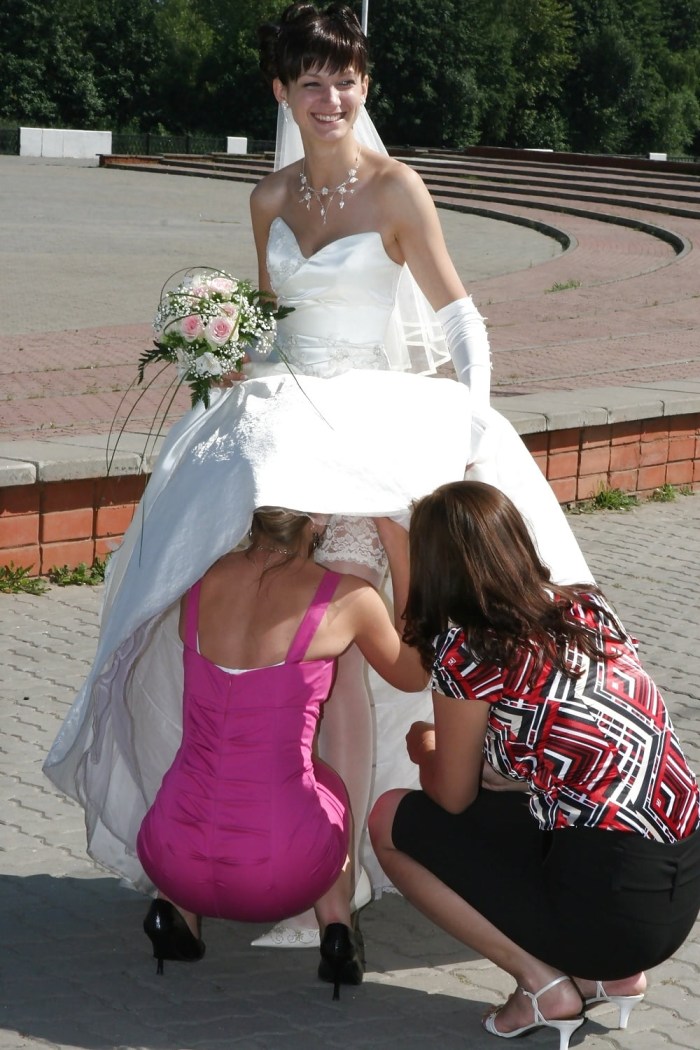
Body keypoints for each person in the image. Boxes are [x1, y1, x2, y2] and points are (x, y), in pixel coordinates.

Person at [42, 1, 592, 955]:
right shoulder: (268, 200)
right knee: (246, 634)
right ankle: (222, 860)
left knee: (341, 651)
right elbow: (266, 328)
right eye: (310, 82)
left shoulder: (395, 190)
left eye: (344, 80)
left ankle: (334, 887)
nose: (329, 97)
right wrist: (216, 371)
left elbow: (459, 316)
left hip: (373, 434)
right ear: (282, 93)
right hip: (285, 436)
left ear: (364, 86)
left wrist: (469, 429)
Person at [369, 480, 700, 1047]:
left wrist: (427, 747)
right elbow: (567, 741)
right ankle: (611, 977)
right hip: (678, 889)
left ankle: (542, 986)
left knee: (390, 819)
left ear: (437, 566)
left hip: (613, 905)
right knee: (520, 806)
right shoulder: (584, 605)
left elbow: (452, 798)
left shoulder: (468, 650)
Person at [136, 506, 425, 996]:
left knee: (206, 771)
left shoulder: (201, 579)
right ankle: (335, 929)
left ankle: (172, 912)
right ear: (321, 518)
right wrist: (399, 547)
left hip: (167, 852)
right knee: (324, 783)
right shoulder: (348, 598)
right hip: (281, 869)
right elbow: (414, 672)